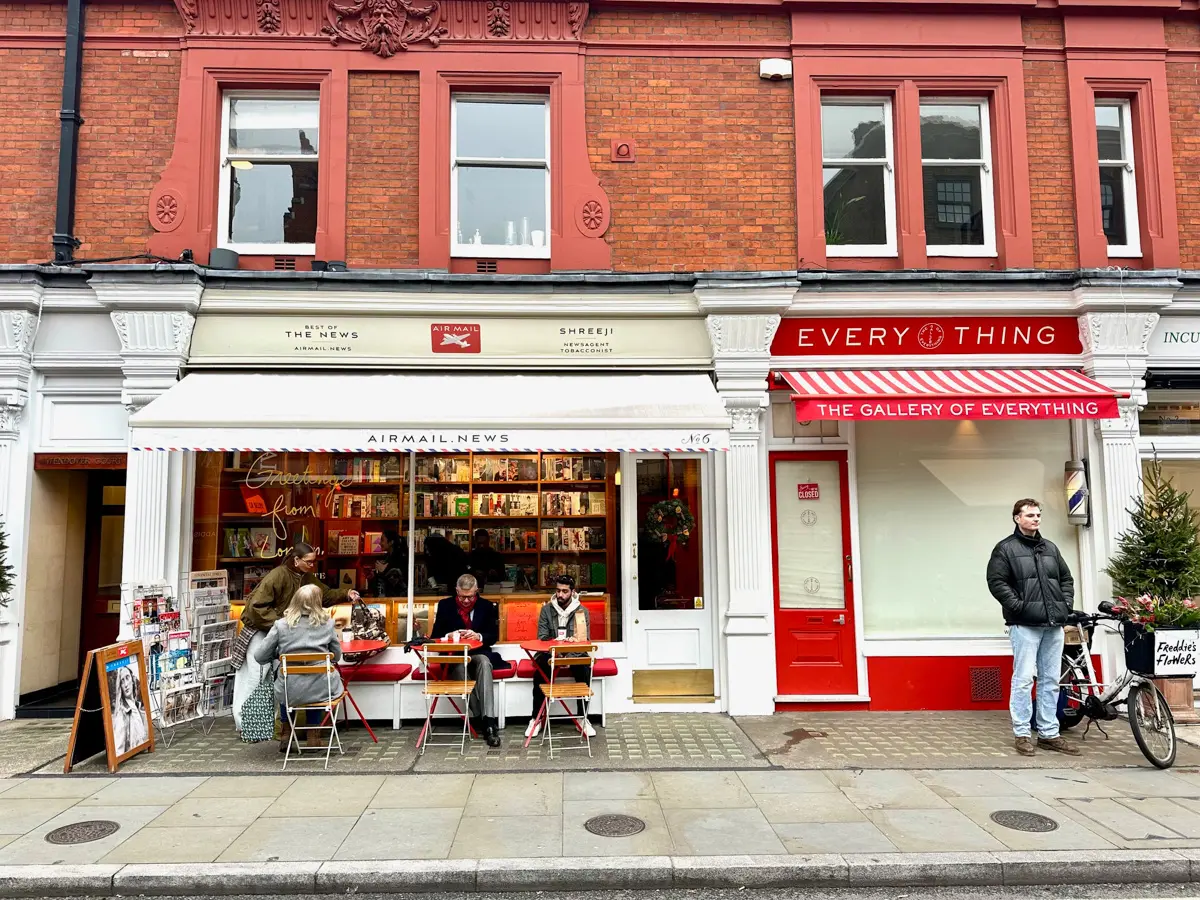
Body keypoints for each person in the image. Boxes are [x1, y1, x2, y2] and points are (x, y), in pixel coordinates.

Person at [987, 498, 1081, 757]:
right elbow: (997, 582)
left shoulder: (1050, 548)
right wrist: (1019, 607)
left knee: (1051, 680)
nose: (1036, 519)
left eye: (1038, 515)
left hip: (1053, 623)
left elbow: (1066, 579)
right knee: (1023, 679)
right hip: (1025, 624)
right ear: (1017, 518)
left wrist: (1065, 605)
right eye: (1030, 515)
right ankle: (1022, 734)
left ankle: (1049, 733)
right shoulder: (1005, 549)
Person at [231, 542, 355, 731]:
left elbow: (324, 595)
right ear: (296, 560)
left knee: (276, 676)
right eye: (309, 562)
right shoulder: (277, 575)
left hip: (279, 630)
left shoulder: (306, 576)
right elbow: (256, 608)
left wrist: (346, 594)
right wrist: (283, 624)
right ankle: (245, 725)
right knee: (256, 677)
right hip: (259, 630)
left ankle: (269, 726)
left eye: (313, 562)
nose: (312, 565)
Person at [255, 584, 345, 751]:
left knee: (285, 683)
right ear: (317, 602)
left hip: (289, 689)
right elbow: (337, 656)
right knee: (316, 684)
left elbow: (260, 656)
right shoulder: (327, 624)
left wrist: (278, 655)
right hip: (321, 688)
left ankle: (286, 732)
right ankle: (313, 736)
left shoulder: (281, 625)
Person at [429, 573, 503, 747]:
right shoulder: (445, 605)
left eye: (470, 596)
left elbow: (493, 636)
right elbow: (435, 636)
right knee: (460, 668)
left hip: (478, 652)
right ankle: (484, 722)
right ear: (456, 591)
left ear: (476, 591)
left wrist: (479, 636)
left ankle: (489, 720)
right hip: (453, 655)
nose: (467, 601)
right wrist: (448, 636)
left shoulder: (486, 606)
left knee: (485, 663)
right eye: (463, 597)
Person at [526, 575, 595, 740]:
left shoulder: (582, 611)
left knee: (584, 667)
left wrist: (568, 655)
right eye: (558, 591)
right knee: (540, 669)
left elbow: (584, 640)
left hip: (574, 652)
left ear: (573, 592)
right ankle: (536, 718)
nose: (560, 595)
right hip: (549, 652)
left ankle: (582, 717)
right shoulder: (546, 610)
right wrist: (557, 650)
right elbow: (542, 638)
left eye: (565, 591)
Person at [110, 664, 148, 756]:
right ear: (120, 687)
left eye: (127, 678)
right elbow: (118, 750)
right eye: (122, 681)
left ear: (132, 680)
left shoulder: (137, 706)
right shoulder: (122, 713)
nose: (126, 684)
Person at [372, 530, 408, 597]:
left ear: (391, 542)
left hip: (398, 598)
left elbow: (401, 582)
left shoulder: (401, 558)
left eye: (382, 540)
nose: (380, 543)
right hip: (386, 596)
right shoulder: (386, 557)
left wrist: (384, 571)